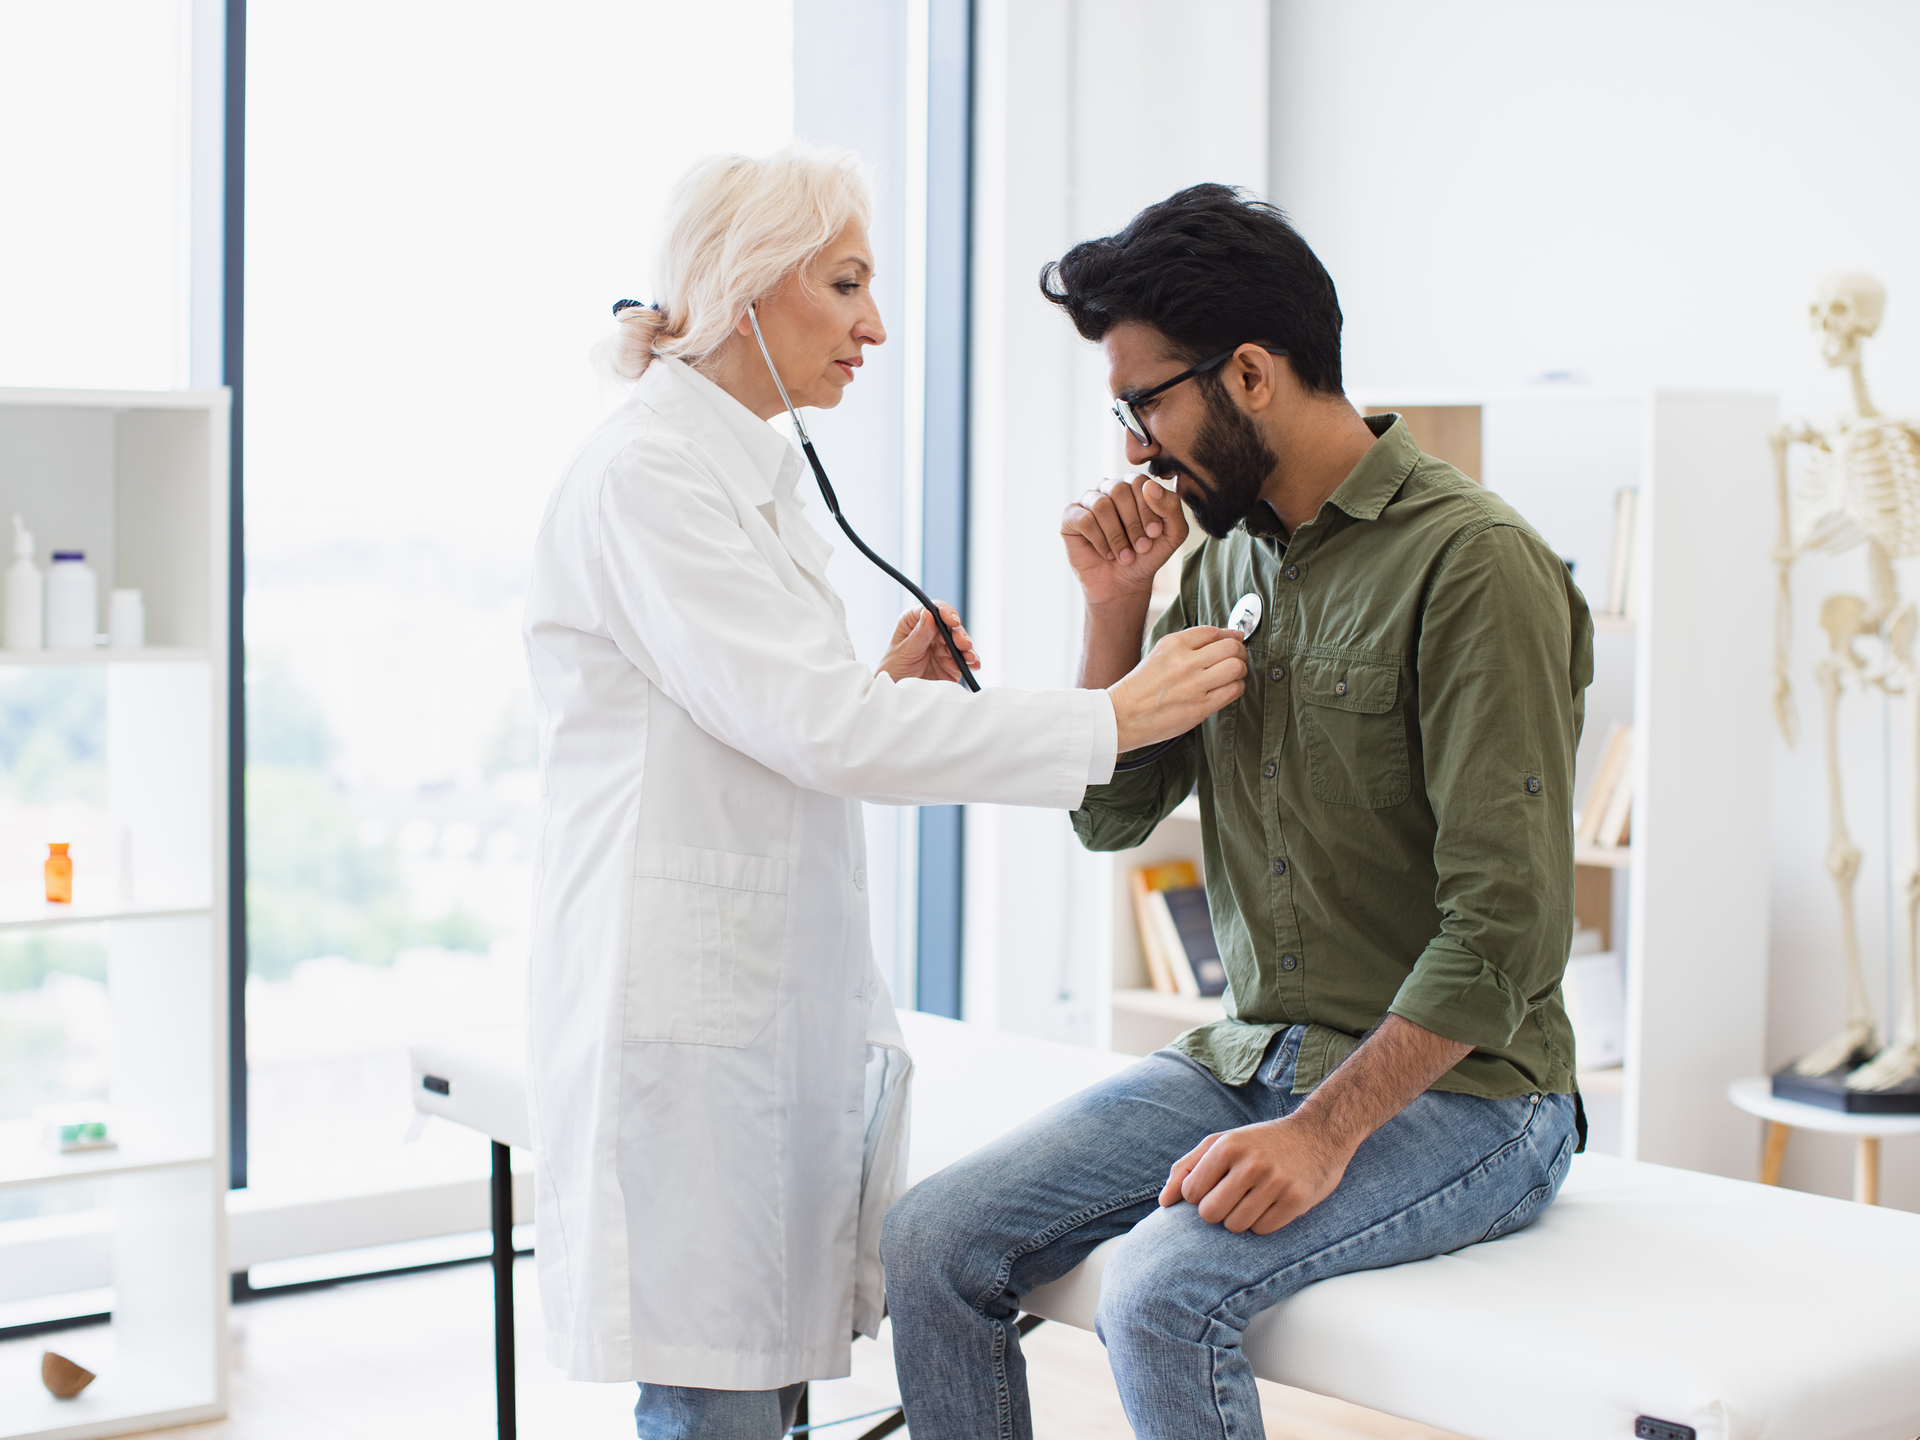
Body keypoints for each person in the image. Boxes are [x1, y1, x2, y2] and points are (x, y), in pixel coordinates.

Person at [520, 149, 1247, 1440]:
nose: (876, 325)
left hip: (756, 1006)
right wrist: (1112, 715)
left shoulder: (744, 474)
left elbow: (771, 715)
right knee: (713, 1404)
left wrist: (877, 681)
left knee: (753, 1395)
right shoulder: (651, 480)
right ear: (744, 289)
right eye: (845, 284)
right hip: (684, 1029)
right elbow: (822, 730)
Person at [881, 184, 1594, 1439]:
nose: (1134, 448)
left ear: (1251, 374)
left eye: (1146, 402)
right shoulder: (1220, 561)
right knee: (932, 1237)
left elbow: (1507, 929)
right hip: (1250, 1056)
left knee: (1160, 1293)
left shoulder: (1475, 564)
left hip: (1476, 1095)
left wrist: (1321, 1136)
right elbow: (1112, 819)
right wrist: (1114, 605)